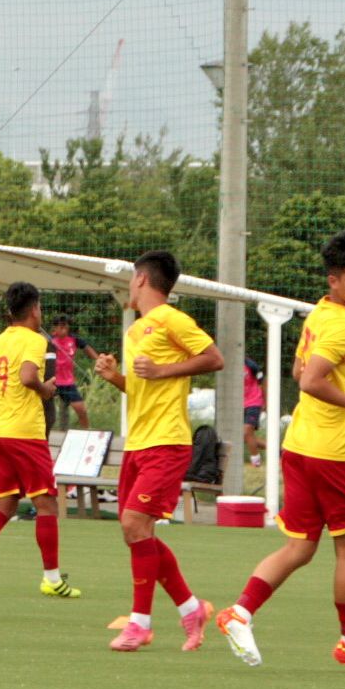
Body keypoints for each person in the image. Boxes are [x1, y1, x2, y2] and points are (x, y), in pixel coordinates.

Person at [215, 232, 345, 671]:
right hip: (335, 453)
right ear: (334, 281)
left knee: (301, 547)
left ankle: (240, 612)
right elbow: (310, 381)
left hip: (301, 447)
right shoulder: (341, 325)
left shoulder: (321, 314)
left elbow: (298, 370)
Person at [94, 249, 223, 653]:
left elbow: (214, 358)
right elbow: (142, 387)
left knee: (135, 524)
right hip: (139, 442)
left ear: (142, 280)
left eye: (131, 279)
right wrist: (116, 377)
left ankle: (140, 624)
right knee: (136, 531)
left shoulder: (172, 319)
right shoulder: (136, 330)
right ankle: (190, 609)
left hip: (167, 442)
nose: (129, 287)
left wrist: (162, 370)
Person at [0, 281, 80, 601]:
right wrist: (44, 389)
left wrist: (5, 386)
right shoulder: (34, 340)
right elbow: (28, 377)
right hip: (25, 433)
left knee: (6, 504)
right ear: (35, 309)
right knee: (47, 504)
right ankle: (52, 578)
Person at [47, 318, 95, 431]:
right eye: (60, 326)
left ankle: (86, 432)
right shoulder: (50, 340)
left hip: (67, 383)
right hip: (52, 381)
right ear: (55, 328)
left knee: (81, 409)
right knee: (45, 411)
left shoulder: (74, 339)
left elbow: (87, 348)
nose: (63, 328)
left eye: (65, 325)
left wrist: (98, 359)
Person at [240, 357, 265, 461]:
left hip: (254, 402)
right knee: (244, 436)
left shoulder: (250, 364)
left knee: (247, 430)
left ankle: (255, 460)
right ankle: (278, 450)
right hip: (239, 404)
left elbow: (263, 381)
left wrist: (265, 401)